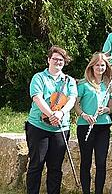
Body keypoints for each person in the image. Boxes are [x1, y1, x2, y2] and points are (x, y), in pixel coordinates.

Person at [26, 46, 78, 194]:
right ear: (49, 60)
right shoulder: (39, 77)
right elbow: (37, 98)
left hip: (61, 128)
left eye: (61, 60)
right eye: (55, 59)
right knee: (36, 165)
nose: (58, 62)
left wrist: (60, 113)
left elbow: (72, 99)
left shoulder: (69, 81)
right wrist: (51, 115)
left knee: (55, 168)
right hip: (38, 127)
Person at [74, 53, 112, 194]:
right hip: (85, 126)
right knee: (86, 162)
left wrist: (106, 109)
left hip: (103, 126)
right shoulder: (83, 83)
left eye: (102, 65)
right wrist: (84, 115)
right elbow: (76, 104)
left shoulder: (108, 83)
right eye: (97, 65)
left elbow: (111, 108)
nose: (100, 67)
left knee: (101, 163)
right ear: (92, 66)